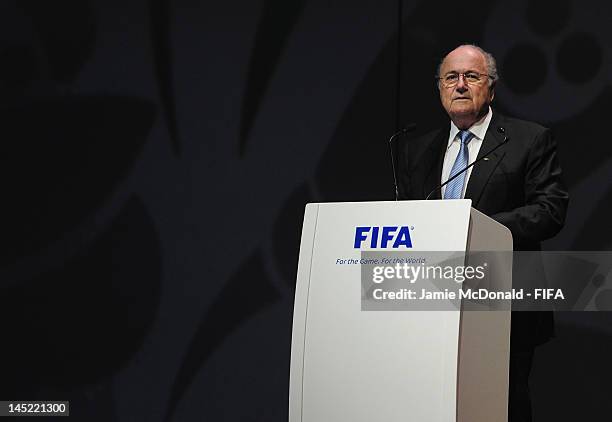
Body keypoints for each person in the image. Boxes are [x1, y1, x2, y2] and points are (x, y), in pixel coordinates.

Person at [397, 44, 569, 421]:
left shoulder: (528, 139)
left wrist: (475, 227)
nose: (460, 85)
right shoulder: (416, 149)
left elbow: (550, 211)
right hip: (433, 306)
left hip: (503, 304)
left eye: (471, 76)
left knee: (501, 408)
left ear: (490, 88)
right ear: (439, 88)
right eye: (451, 77)